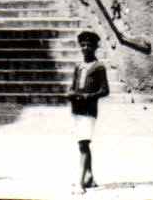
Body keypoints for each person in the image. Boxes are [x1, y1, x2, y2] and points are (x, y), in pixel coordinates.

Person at [67, 30, 109, 193]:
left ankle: (80, 183)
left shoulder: (99, 67)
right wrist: (71, 93)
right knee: (82, 143)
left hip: (89, 109)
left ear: (95, 47)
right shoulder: (79, 67)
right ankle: (89, 175)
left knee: (84, 143)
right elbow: (73, 85)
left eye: (89, 46)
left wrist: (90, 96)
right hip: (77, 108)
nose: (85, 48)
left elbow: (105, 90)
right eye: (83, 45)